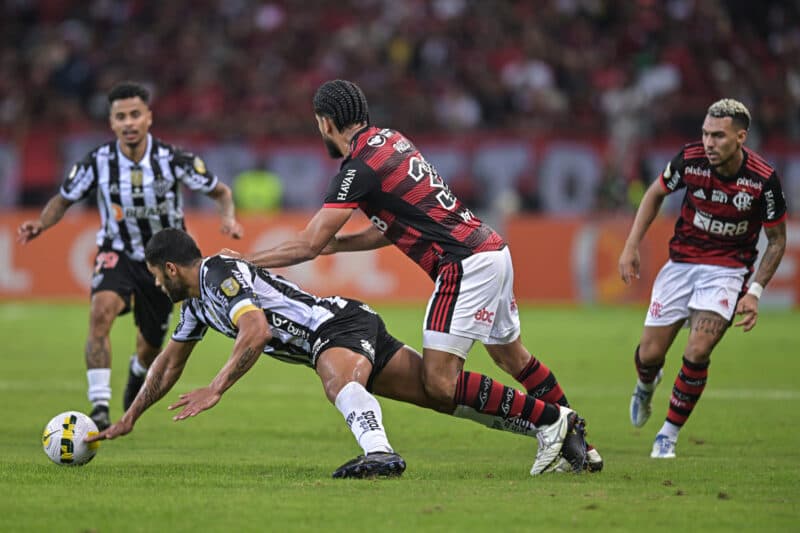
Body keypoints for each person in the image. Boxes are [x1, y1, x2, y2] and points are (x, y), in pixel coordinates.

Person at [227, 79, 601, 473]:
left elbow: (307, 244)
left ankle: (554, 421)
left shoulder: (358, 168)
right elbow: (394, 226)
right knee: (514, 357)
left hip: (463, 265)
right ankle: (582, 447)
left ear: (325, 123)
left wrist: (247, 262)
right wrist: (341, 245)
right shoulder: (392, 141)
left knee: (439, 382)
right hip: (491, 249)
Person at [86, 228, 589, 477]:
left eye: (155, 276)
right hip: (345, 325)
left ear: (170, 269)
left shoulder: (218, 273)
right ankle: (553, 423)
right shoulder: (197, 308)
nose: (154, 284)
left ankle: (380, 454)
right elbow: (169, 363)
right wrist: (130, 416)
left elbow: (256, 330)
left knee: (337, 382)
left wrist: (216, 388)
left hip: (336, 325)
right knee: (439, 393)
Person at [17, 82, 244, 431]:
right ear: (112, 122)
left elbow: (221, 191)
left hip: (164, 264)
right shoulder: (98, 162)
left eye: (135, 114)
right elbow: (63, 199)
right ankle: (99, 407)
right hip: (117, 251)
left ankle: (138, 372)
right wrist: (41, 225)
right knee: (100, 313)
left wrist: (227, 218)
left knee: (149, 346)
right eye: (121, 116)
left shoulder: (173, 160)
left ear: (148, 117)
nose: (129, 122)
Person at [619, 98, 787, 458]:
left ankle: (668, 434)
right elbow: (655, 193)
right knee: (649, 354)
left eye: (719, 136)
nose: (709, 143)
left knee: (697, 350)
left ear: (741, 137)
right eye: (706, 134)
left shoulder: (762, 180)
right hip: (681, 264)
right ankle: (646, 386)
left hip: (728, 270)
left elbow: (777, 240)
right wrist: (631, 245)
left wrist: (755, 291)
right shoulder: (690, 160)